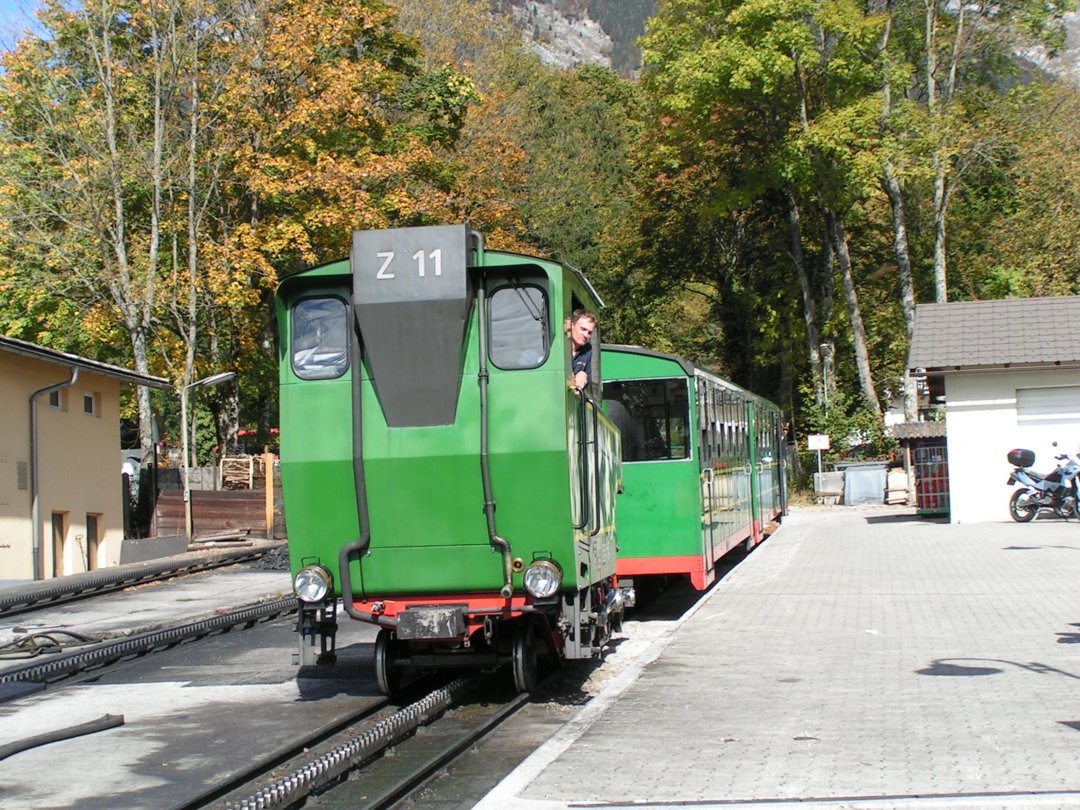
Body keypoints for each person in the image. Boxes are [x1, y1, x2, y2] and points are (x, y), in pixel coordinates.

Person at [568, 309, 596, 388]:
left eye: (589, 332)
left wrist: (583, 374)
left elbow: (589, 377)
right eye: (583, 329)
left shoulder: (587, 349)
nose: (586, 335)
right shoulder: (560, 345)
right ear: (571, 325)